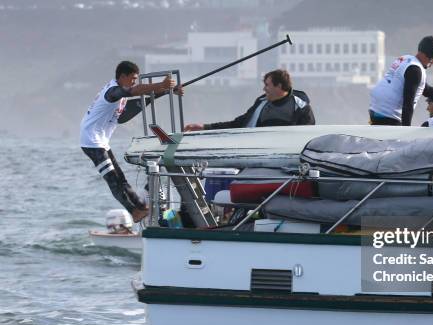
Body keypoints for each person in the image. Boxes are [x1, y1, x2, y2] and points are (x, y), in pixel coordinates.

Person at [80, 61, 181, 222]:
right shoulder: (112, 91)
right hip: (91, 141)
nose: (134, 81)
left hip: (101, 141)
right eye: (133, 78)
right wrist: (161, 84)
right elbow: (135, 91)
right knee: (113, 179)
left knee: (121, 178)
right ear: (122, 77)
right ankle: (133, 211)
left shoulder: (121, 95)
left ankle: (141, 207)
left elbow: (139, 99)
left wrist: (169, 91)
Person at [368, 35, 433, 126]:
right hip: (389, 116)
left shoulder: (406, 58)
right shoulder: (415, 71)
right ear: (429, 54)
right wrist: (406, 132)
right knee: (396, 139)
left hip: (375, 110)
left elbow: (426, 90)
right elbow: (408, 104)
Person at [183, 69, 315, 130]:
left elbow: (307, 137)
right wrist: (205, 127)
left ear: (279, 86)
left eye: (267, 85)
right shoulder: (261, 103)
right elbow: (238, 123)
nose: (264, 89)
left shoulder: (301, 107)